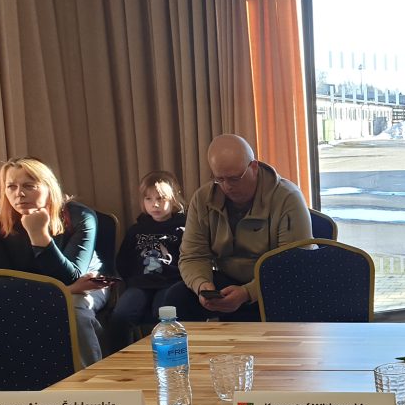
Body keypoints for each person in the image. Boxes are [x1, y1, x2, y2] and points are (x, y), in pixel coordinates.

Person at [164, 134, 311, 321]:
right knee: (176, 298)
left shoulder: (287, 198)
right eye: (219, 179)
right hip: (227, 283)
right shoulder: (203, 199)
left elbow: (293, 265)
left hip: (276, 285)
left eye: (234, 179)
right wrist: (202, 286)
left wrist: (247, 293)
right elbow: (193, 256)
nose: (227, 187)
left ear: (254, 167)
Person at [0, 156, 110, 366]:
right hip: (46, 288)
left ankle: (90, 379)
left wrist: (39, 235)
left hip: (87, 283)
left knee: (74, 311)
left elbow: (70, 276)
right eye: (11, 186)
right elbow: (1, 281)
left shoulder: (81, 217)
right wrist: (66, 289)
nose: (19, 193)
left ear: (49, 188)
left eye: (29, 186)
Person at [110, 171, 187, 343]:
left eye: (161, 199)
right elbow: (123, 260)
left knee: (162, 315)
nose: (155, 204)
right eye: (148, 199)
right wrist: (131, 279)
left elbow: (191, 259)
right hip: (140, 284)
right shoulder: (136, 230)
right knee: (120, 316)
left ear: (173, 200)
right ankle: (122, 356)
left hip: (170, 283)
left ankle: (166, 355)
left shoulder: (183, 228)